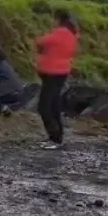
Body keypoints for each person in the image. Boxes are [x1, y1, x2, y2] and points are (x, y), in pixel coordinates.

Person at [35, 9, 79, 149]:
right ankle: (57, 137)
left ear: (58, 19)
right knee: (53, 104)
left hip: (52, 73)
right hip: (60, 72)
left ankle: (55, 137)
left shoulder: (60, 33)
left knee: (44, 106)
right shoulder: (71, 33)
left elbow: (41, 42)